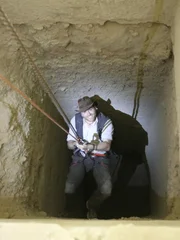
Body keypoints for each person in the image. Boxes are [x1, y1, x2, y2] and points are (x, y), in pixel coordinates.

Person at [65, 96, 114, 218]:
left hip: (99, 157)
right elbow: (69, 145)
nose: (88, 113)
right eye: (84, 111)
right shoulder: (75, 120)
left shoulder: (106, 122)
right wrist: (76, 144)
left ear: (95, 107)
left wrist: (90, 146)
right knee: (69, 188)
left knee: (106, 190)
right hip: (80, 157)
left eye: (90, 109)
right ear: (80, 113)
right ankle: (73, 211)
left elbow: (106, 146)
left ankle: (92, 205)